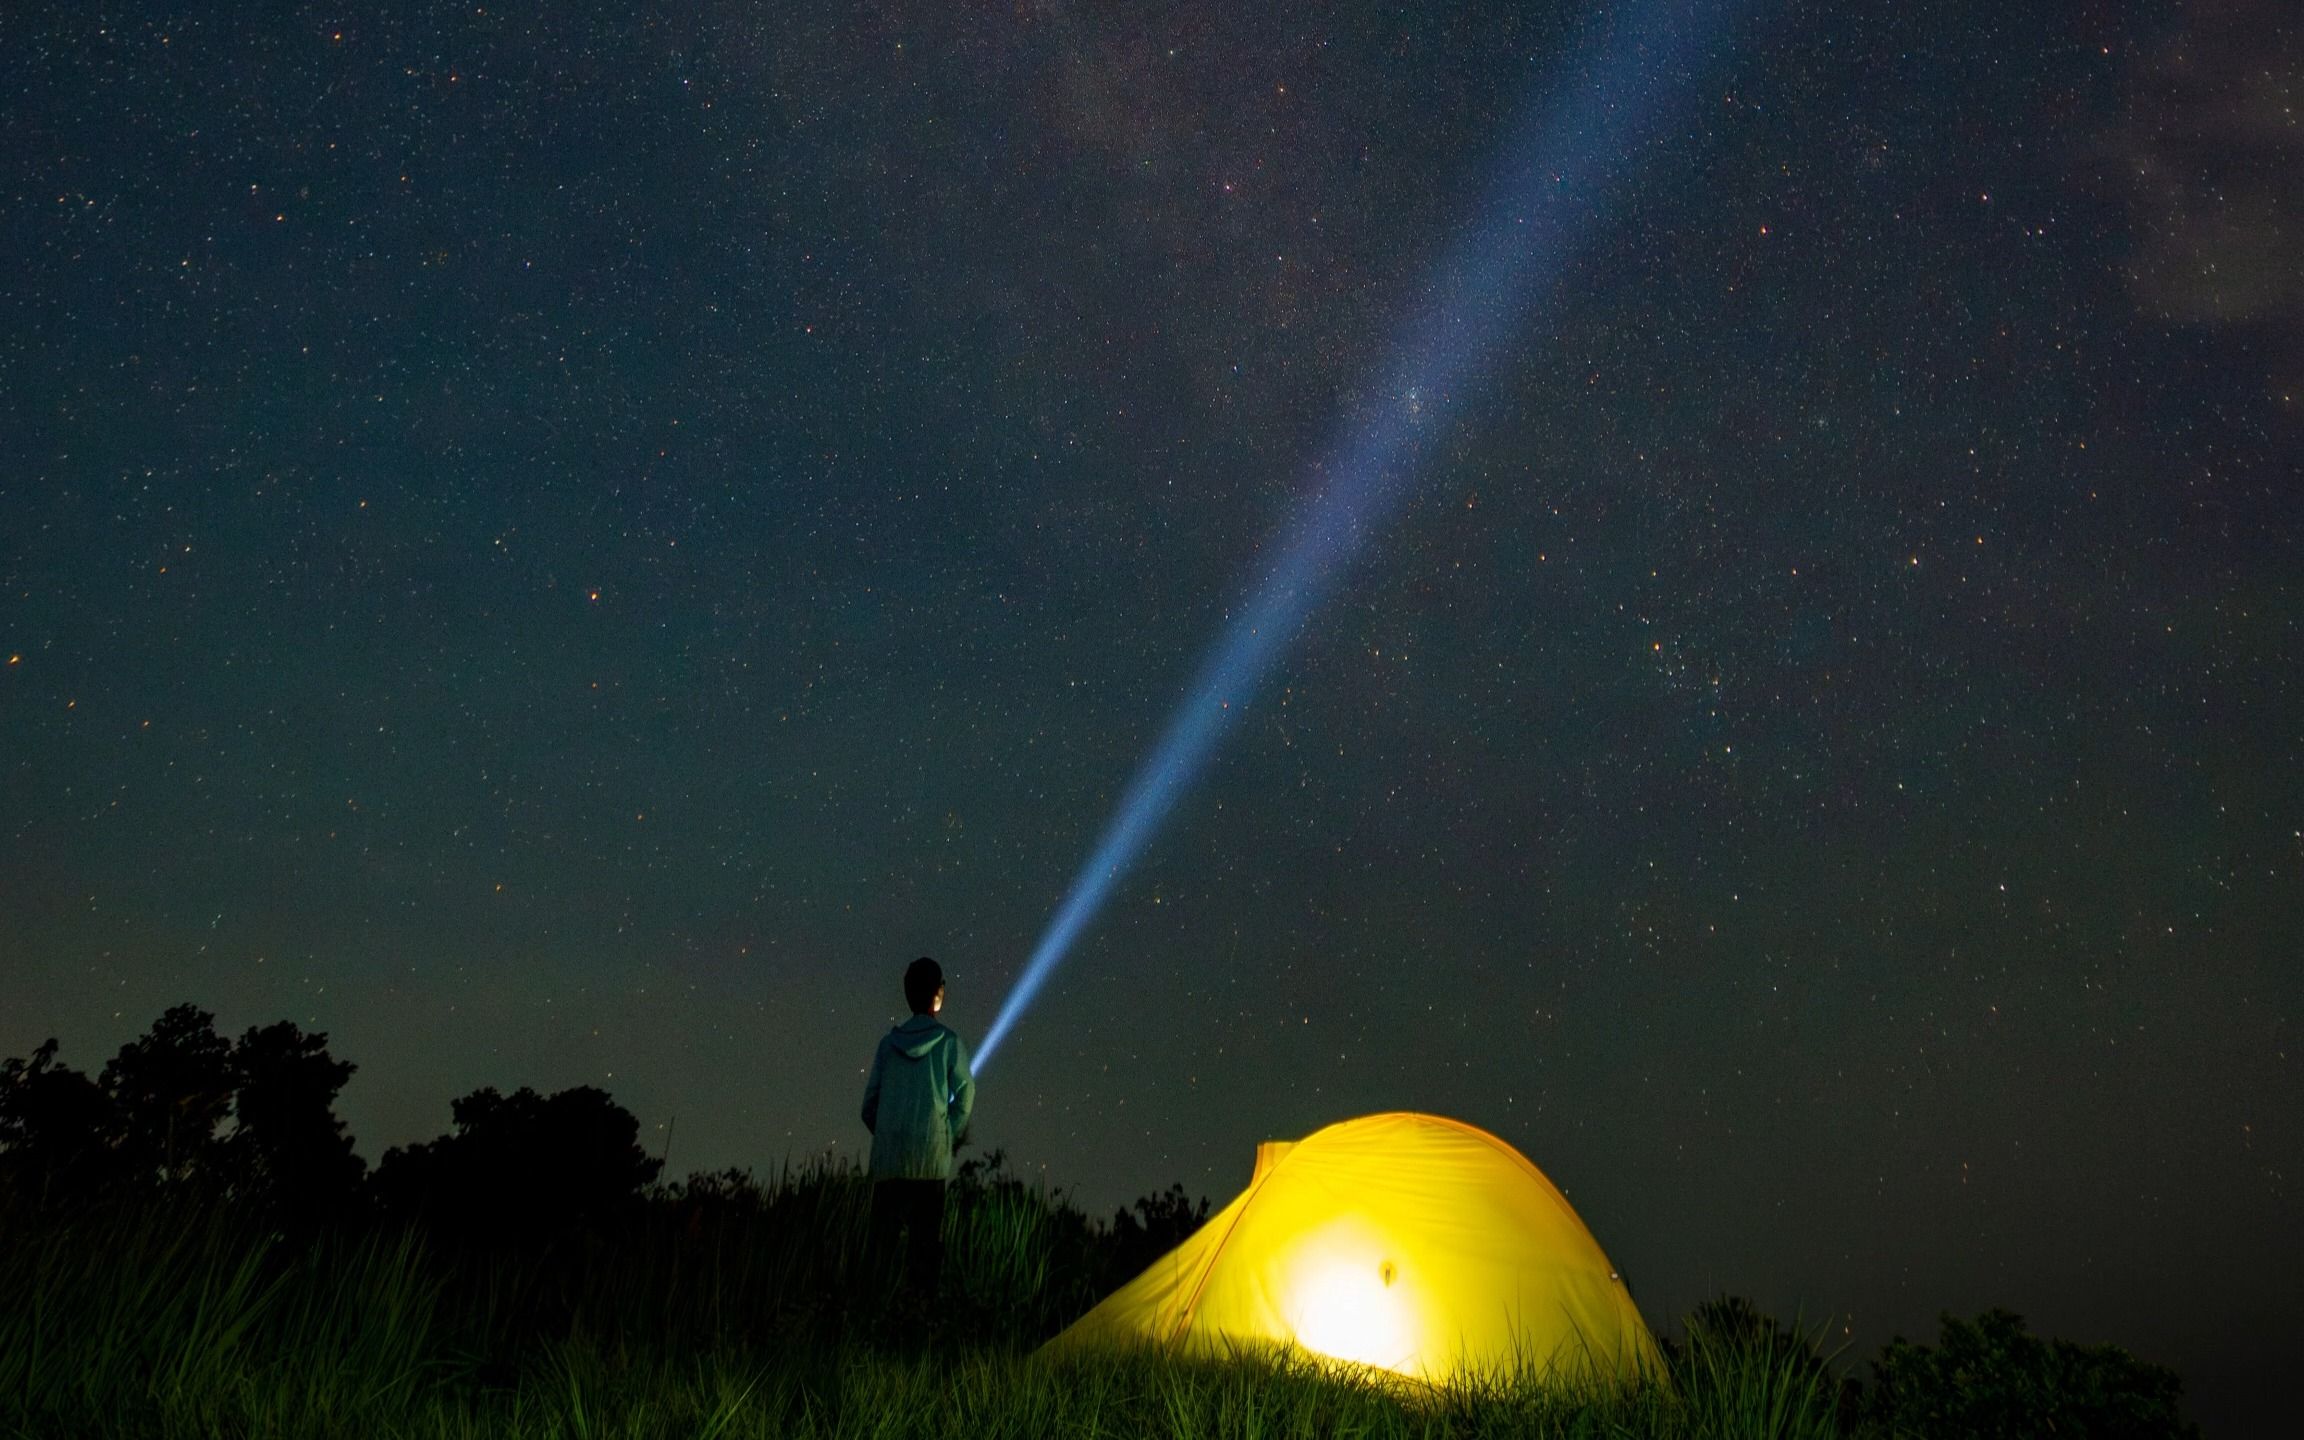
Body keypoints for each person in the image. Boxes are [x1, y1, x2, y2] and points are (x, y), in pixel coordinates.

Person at [860, 955, 975, 1299]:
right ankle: (918, 1327)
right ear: (937, 994)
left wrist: (888, 1134)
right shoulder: (949, 1043)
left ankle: (870, 1321)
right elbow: (966, 1096)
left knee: (880, 1252)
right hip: (930, 1164)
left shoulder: (888, 1046)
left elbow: (869, 1106)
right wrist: (946, 1136)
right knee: (924, 1254)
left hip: (889, 1164)